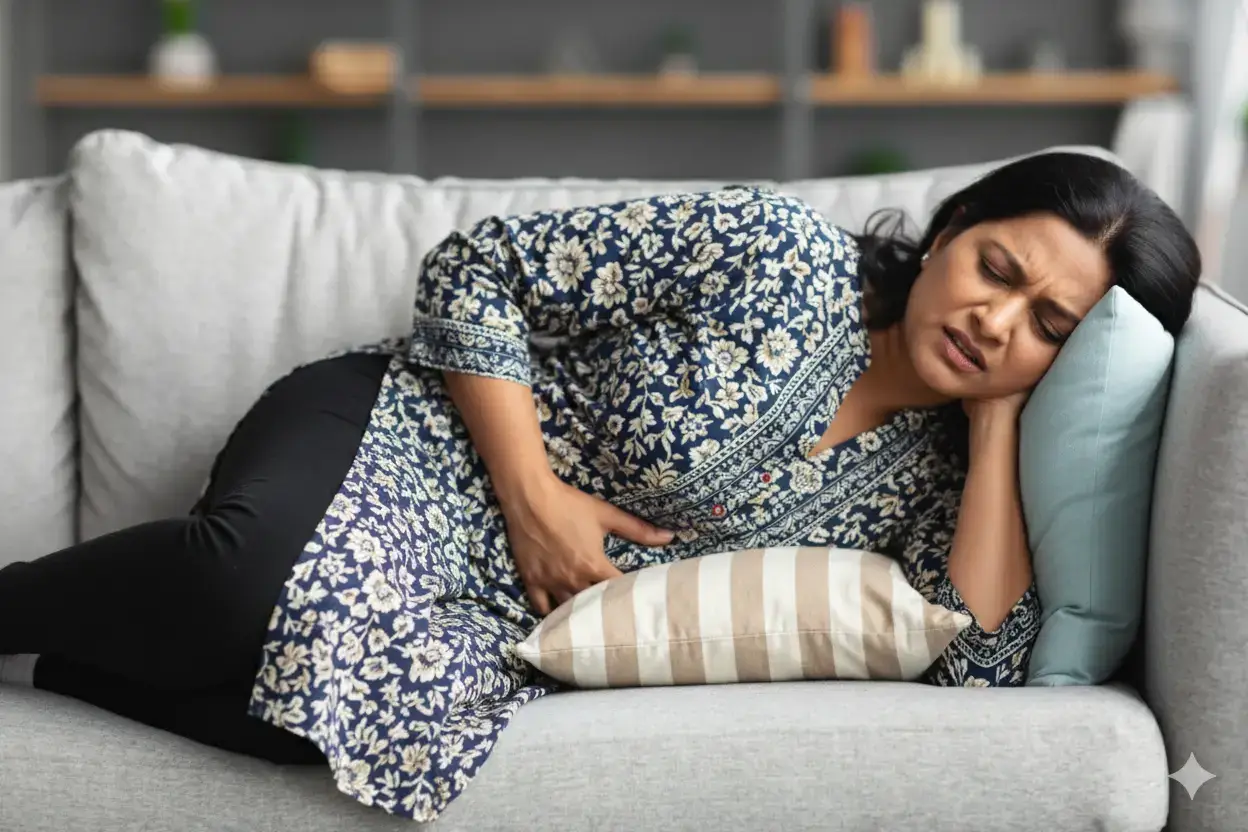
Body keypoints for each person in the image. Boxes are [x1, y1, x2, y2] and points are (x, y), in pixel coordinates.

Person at [0, 152, 1201, 821]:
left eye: (1048, 327)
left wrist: (994, 436)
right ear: (951, 233)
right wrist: (533, 493)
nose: (996, 322)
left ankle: (67, 667)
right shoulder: (778, 251)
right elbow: (478, 273)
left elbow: (986, 666)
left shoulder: (937, 487)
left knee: (325, 727)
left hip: (486, 606)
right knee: (232, 583)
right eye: (996, 269)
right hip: (405, 431)